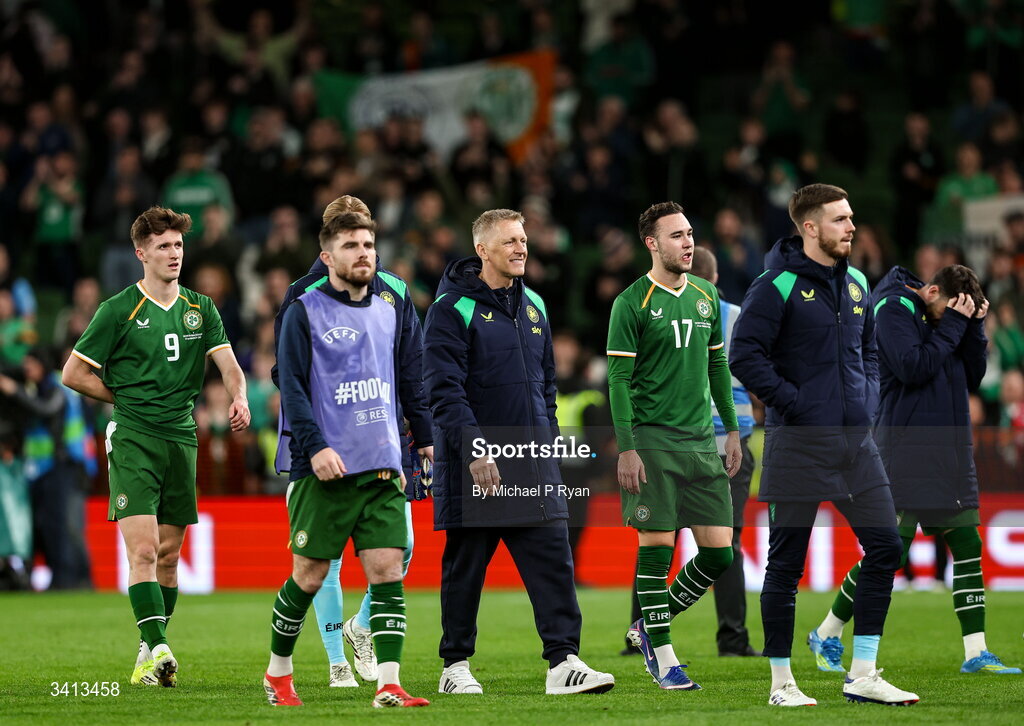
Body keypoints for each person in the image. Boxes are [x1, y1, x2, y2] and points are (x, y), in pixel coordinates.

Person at [730, 183, 917, 707]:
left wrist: (868, 400)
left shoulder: (858, 281)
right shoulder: (775, 285)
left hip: (857, 445)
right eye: (839, 220)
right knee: (785, 567)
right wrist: (794, 402)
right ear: (809, 227)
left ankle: (863, 672)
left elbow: (869, 353)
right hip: (798, 446)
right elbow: (744, 356)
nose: (851, 227)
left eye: (851, 217)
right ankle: (781, 684)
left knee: (886, 548)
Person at [423, 209, 615, 696]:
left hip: (532, 462)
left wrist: (547, 439)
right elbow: (443, 391)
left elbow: (545, 384)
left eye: (524, 239)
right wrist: (476, 450)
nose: (521, 248)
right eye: (509, 241)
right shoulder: (451, 309)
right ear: (482, 250)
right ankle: (455, 667)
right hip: (477, 464)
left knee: (554, 562)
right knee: (466, 568)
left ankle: (563, 662)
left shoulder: (535, 306)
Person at [62, 206, 250, 687]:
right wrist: (123, 397)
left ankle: (148, 652)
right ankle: (161, 645)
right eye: (164, 246)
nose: (173, 254)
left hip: (181, 438)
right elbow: (74, 373)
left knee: (169, 555)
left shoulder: (200, 308)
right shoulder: (118, 309)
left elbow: (228, 363)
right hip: (133, 438)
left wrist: (240, 396)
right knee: (143, 551)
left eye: (179, 246)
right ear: (140, 252)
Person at [812, 264, 1021, 675]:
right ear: (932, 291)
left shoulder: (949, 318)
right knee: (889, 553)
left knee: (967, 547)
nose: (949, 319)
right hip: (905, 451)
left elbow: (973, 376)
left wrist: (973, 328)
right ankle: (828, 631)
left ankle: (976, 652)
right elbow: (912, 366)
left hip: (950, 453)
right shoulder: (891, 307)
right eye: (948, 310)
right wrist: (955, 324)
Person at [266, 211, 428, 709]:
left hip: (382, 463)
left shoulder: (390, 306)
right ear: (327, 256)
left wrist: (423, 441)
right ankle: (278, 673)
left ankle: (389, 683)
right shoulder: (303, 308)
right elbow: (289, 386)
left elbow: (408, 378)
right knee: (310, 576)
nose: (363, 253)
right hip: (326, 469)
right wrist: (315, 448)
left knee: (388, 568)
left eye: (368, 244)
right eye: (351, 245)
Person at [607, 202, 741, 692]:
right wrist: (627, 448)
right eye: (676, 235)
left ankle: (647, 625)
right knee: (658, 547)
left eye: (689, 233)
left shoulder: (706, 295)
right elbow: (619, 381)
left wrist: (729, 429)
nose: (687, 242)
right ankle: (663, 656)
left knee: (720, 555)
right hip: (652, 443)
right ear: (652, 243)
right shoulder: (631, 303)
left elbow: (718, 370)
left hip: (702, 443)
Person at [689, 246, 759, 658]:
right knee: (727, 541)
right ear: (715, 279)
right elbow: (757, 369)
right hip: (730, 439)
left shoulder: (661, 311)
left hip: (678, 437)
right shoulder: (737, 316)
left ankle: (637, 632)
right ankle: (732, 638)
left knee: (657, 537)